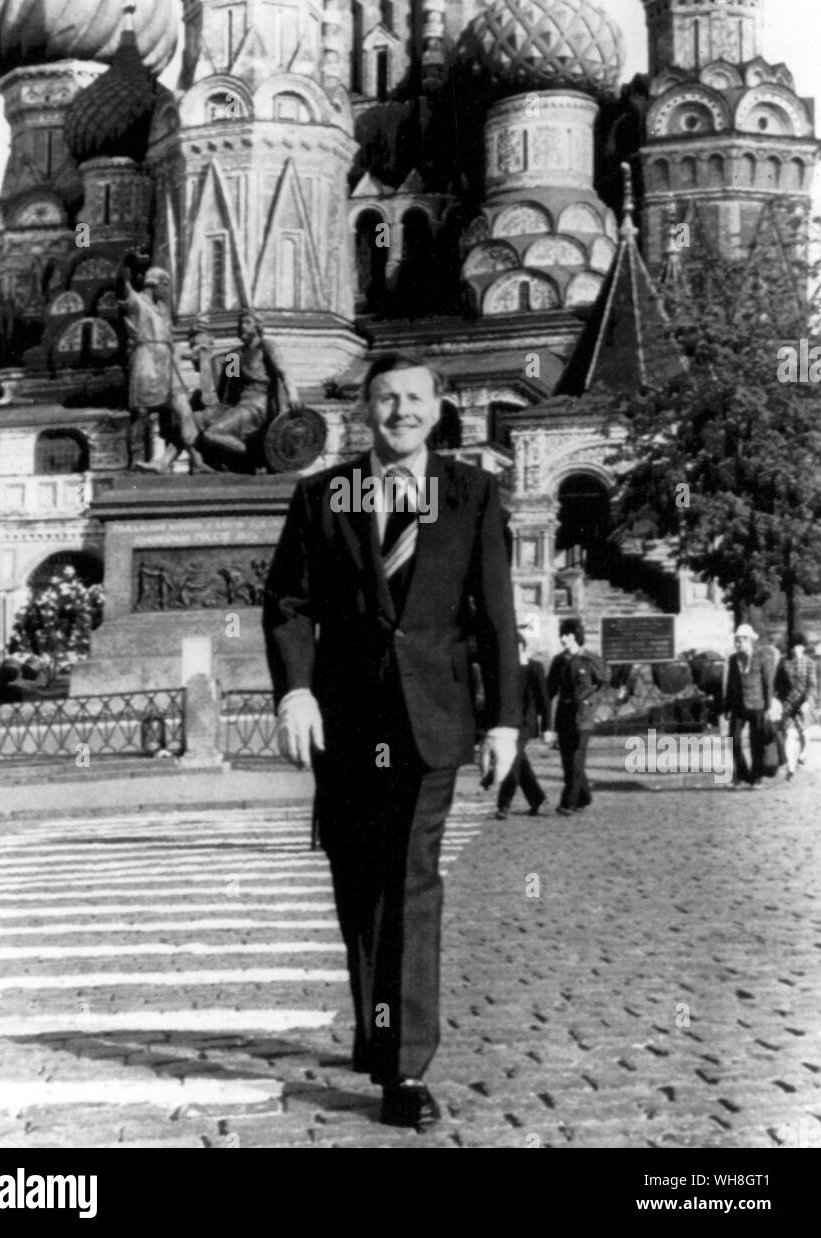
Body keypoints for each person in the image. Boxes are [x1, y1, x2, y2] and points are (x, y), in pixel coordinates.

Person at [263, 351, 520, 1132]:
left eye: (413, 399)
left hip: (431, 721)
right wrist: (296, 691)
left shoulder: (473, 495)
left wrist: (504, 720)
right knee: (357, 885)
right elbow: (286, 602)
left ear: (438, 410)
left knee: (409, 882)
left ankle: (404, 1067)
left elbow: (494, 619)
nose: (399, 412)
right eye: (384, 400)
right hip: (343, 724)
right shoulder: (323, 495)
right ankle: (377, 1028)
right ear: (363, 413)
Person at [117, 263, 206, 473]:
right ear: (153, 284)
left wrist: (194, 354)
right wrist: (125, 267)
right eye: (164, 286)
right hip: (147, 360)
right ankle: (135, 461)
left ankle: (195, 460)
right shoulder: (137, 302)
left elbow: (173, 344)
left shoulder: (164, 310)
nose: (166, 291)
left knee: (184, 409)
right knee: (141, 412)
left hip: (167, 363)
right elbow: (121, 287)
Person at [195, 311, 299, 468]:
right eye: (240, 323)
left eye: (247, 322)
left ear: (257, 326)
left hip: (258, 404)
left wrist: (293, 396)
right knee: (196, 420)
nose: (241, 326)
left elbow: (283, 371)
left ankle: (253, 457)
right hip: (239, 404)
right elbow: (229, 389)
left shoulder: (266, 346)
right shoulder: (236, 355)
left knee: (212, 434)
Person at [545, 618, 607, 816]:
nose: (563, 639)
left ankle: (568, 802)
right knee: (567, 760)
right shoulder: (559, 661)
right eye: (562, 635)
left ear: (576, 637)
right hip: (564, 716)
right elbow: (550, 690)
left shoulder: (590, 660)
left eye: (567, 635)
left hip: (583, 716)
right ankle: (584, 796)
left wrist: (593, 704)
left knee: (575, 758)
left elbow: (603, 684)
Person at [494, 621, 551, 819]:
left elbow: (544, 700)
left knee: (511, 761)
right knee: (520, 763)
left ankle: (504, 804)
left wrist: (547, 727)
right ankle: (537, 798)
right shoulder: (506, 671)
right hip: (508, 723)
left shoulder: (534, 668)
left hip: (525, 724)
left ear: (521, 647)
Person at [723, 623, 777, 787]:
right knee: (734, 740)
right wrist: (726, 708)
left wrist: (768, 707)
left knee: (757, 742)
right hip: (738, 706)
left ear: (750, 641)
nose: (738, 643)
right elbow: (731, 684)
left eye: (741, 640)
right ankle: (742, 774)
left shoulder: (762, 657)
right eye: (737, 640)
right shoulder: (733, 659)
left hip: (757, 705)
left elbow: (767, 683)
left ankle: (756, 778)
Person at [774, 632, 816, 780]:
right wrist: (777, 700)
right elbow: (777, 684)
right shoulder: (783, 663)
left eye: (799, 647)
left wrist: (807, 701)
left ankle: (804, 754)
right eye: (793, 647)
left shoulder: (810, 663)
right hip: (788, 704)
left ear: (803, 648)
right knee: (790, 735)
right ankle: (791, 769)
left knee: (805, 734)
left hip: (804, 702)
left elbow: (812, 686)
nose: (796, 649)